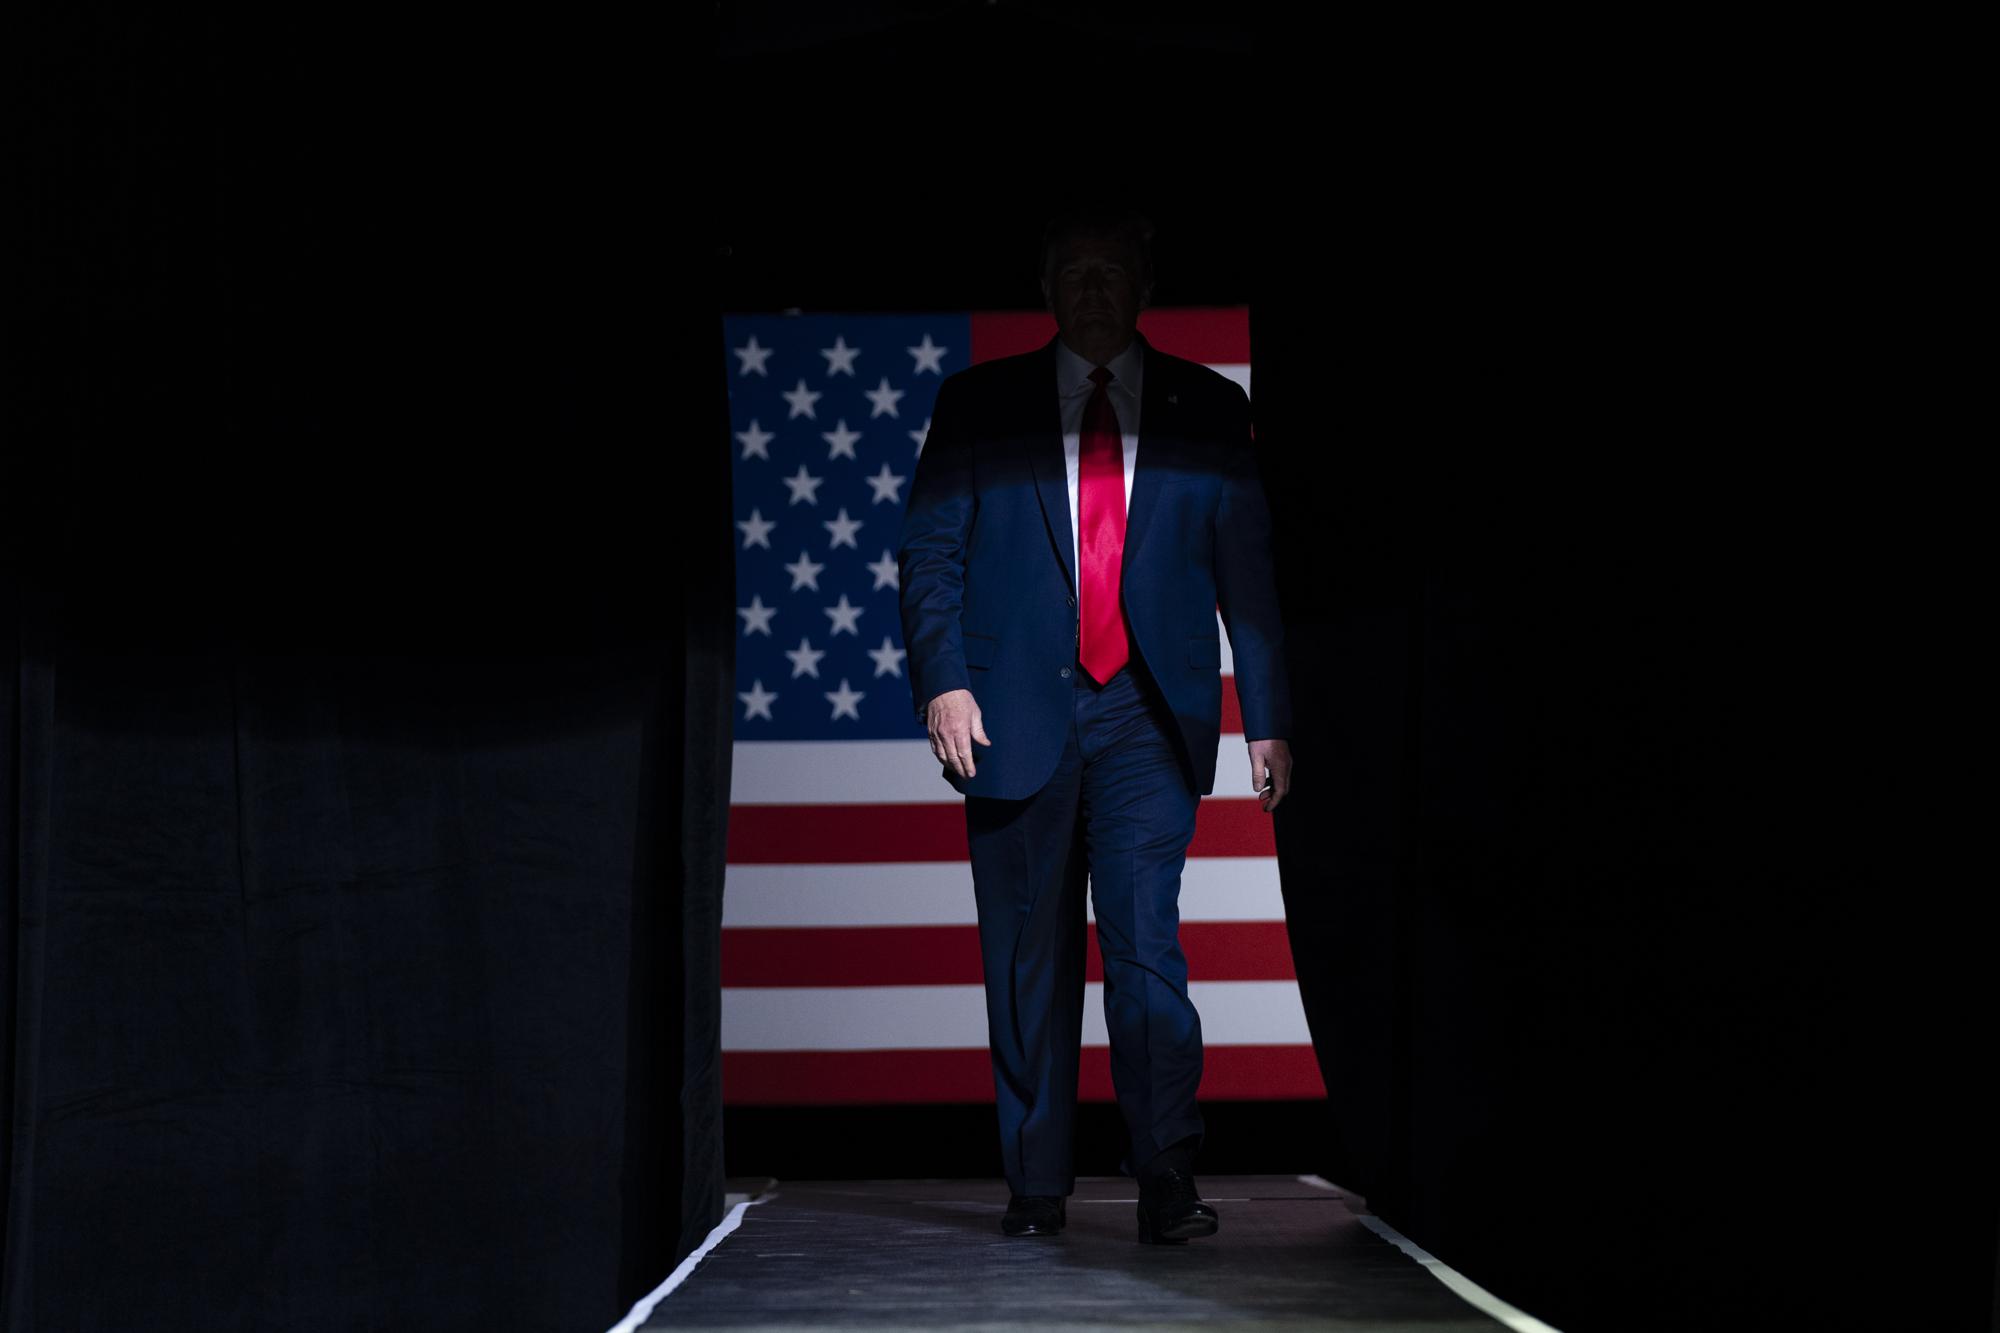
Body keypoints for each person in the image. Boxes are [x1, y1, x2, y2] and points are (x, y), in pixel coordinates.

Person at [897, 207, 1293, 1244]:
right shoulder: (978, 402)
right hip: (1011, 712)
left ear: (1142, 287)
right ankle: (1036, 1183)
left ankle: (1165, 1170)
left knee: (1145, 949)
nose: (1091, 290)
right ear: (1045, 287)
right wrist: (942, 683)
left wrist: (1267, 718)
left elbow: (1247, 574)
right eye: (1072, 272)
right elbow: (930, 553)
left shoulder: (1207, 409)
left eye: (1109, 271)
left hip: (1145, 715)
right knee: (1027, 961)